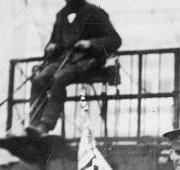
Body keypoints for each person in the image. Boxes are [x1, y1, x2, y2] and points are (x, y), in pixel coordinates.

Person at [26, 0, 121, 137]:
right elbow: (55, 42)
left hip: (88, 60)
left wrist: (90, 43)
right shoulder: (61, 15)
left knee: (59, 78)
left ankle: (45, 125)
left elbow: (114, 40)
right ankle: (34, 124)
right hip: (64, 60)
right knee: (40, 79)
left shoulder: (95, 12)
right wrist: (51, 47)